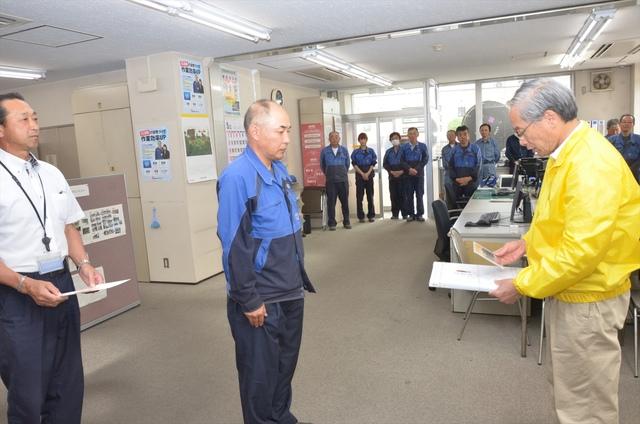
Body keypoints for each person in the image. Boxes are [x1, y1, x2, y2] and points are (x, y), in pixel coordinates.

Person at [489, 79, 640, 424]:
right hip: (572, 292)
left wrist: (522, 284)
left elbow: (580, 252)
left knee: (585, 407)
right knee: (571, 393)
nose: (521, 141)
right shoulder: (566, 155)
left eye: (522, 131)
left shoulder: (589, 164)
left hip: (587, 300)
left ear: (551, 118)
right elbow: (562, 219)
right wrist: (528, 243)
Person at [0, 92, 103, 423]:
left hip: (60, 282)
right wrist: (25, 284)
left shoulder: (51, 173)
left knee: (68, 382)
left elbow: (68, 226)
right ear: (1, 129)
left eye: (36, 118)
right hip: (16, 291)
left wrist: (84, 264)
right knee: (29, 391)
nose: (34, 126)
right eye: (24, 119)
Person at [217, 99, 315, 424]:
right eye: (281, 130)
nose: (287, 138)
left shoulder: (280, 171)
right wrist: (248, 298)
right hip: (261, 300)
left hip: (289, 290)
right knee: (259, 379)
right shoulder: (237, 177)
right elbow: (233, 244)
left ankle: (281, 418)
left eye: (287, 130)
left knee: (284, 369)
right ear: (255, 131)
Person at [320, 131, 351, 230]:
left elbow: (347, 164)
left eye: (336, 137)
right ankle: (332, 223)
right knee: (331, 203)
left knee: (345, 202)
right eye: (332, 137)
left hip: (342, 180)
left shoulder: (344, 150)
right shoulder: (324, 151)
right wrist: (330, 173)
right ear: (329, 139)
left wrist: (341, 172)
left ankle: (346, 222)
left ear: (339, 138)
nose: (334, 139)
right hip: (331, 181)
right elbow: (322, 165)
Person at [445, 125, 481, 209]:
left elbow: (478, 165)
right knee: (455, 205)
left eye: (465, 134)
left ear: (468, 135)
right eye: (460, 135)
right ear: (457, 137)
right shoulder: (454, 150)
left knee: (472, 205)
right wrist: (456, 179)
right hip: (457, 182)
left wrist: (469, 178)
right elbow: (450, 166)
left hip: (471, 182)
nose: (463, 137)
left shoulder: (475, 149)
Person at [400, 127, 429, 222]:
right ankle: (411, 214)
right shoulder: (403, 147)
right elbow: (401, 160)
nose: (412, 135)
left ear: (417, 134)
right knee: (409, 195)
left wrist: (416, 169)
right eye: (410, 134)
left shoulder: (423, 146)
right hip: (407, 175)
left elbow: (425, 159)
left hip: (419, 174)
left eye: (414, 133)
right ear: (408, 135)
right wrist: (409, 169)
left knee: (420, 194)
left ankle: (420, 214)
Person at [351, 132, 377, 223]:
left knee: (370, 196)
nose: (362, 140)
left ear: (366, 140)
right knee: (359, 197)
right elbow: (354, 164)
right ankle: (361, 216)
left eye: (364, 139)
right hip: (359, 175)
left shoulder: (371, 151)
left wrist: (368, 173)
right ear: (359, 140)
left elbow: (373, 163)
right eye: (361, 139)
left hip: (369, 174)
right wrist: (362, 174)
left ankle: (371, 215)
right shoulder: (355, 152)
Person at [610, 114, 640, 181]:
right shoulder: (611, 140)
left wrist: (631, 169)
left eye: (629, 122)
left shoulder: (638, 139)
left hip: (634, 176)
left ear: (633, 124)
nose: (626, 124)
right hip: (616, 175)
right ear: (620, 124)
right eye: (624, 122)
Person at [383, 131, 405, 219]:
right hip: (392, 176)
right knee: (393, 195)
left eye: (396, 138)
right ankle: (395, 214)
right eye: (392, 139)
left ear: (399, 139)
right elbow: (385, 164)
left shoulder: (404, 150)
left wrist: (402, 171)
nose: (394, 140)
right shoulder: (388, 152)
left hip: (403, 176)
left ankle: (404, 214)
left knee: (403, 195)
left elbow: (408, 162)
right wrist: (391, 172)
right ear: (390, 141)